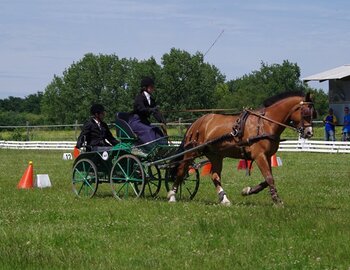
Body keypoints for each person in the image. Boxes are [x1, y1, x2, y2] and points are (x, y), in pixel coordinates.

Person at [129, 77, 167, 145]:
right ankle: (151, 148)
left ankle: (163, 146)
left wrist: (162, 120)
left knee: (157, 130)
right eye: (151, 87)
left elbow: (155, 112)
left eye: (153, 87)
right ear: (145, 87)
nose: (153, 88)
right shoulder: (139, 98)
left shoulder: (151, 99)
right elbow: (141, 109)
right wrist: (152, 109)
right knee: (148, 131)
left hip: (144, 122)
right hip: (136, 121)